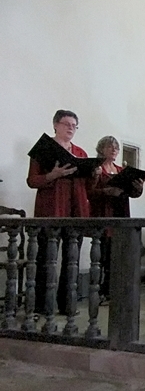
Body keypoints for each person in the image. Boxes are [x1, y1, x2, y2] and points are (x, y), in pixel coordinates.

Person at [26, 109, 98, 317]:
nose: (71, 128)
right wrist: (52, 175)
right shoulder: (43, 150)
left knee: (71, 260)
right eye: (67, 124)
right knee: (46, 259)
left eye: (74, 125)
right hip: (50, 210)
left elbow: (89, 188)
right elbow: (32, 181)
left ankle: (67, 304)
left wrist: (93, 174)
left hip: (76, 211)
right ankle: (42, 306)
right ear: (55, 124)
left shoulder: (81, 153)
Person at [88, 136, 144, 304]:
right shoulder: (96, 169)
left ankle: (113, 291)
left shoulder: (121, 170)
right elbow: (89, 193)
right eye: (109, 147)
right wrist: (106, 191)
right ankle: (99, 293)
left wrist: (139, 187)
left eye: (116, 148)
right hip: (104, 215)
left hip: (121, 214)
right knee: (103, 256)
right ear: (101, 149)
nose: (114, 150)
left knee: (118, 257)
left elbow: (132, 194)